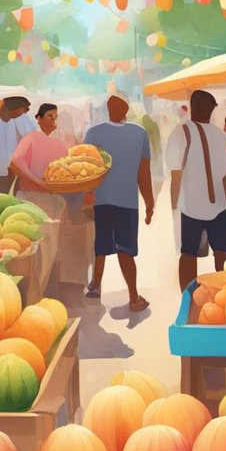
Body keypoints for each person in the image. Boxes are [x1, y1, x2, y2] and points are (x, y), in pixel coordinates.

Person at [82, 95, 155, 312]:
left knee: (102, 245)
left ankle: (96, 286)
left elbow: (84, 168)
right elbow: (144, 173)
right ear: (126, 110)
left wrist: (86, 198)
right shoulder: (139, 133)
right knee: (125, 249)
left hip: (102, 199)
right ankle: (133, 297)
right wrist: (149, 202)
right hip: (127, 201)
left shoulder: (94, 133)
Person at [168, 90, 226, 291]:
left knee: (190, 255)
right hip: (215, 205)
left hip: (192, 207)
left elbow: (176, 175)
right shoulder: (218, 134)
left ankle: (190, 300)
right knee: (220, 254)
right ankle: (218, 298)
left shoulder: (181, 132)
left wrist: (174, 207)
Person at [11, 103, 69, 215]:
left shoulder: (59, 144)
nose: (54, 120)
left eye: (55, 117)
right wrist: (39, 183)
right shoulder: (31, 138)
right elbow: (17, 163)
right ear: (38, 118)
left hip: (53, 198)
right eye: (50, 116)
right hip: (30, 195)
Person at [0, 96, 36, 194]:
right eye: (21, 111)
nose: (23, 114)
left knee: (12, 194)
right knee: (0, 194)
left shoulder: (13, 123)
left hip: (12, 169)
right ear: (11, 110)